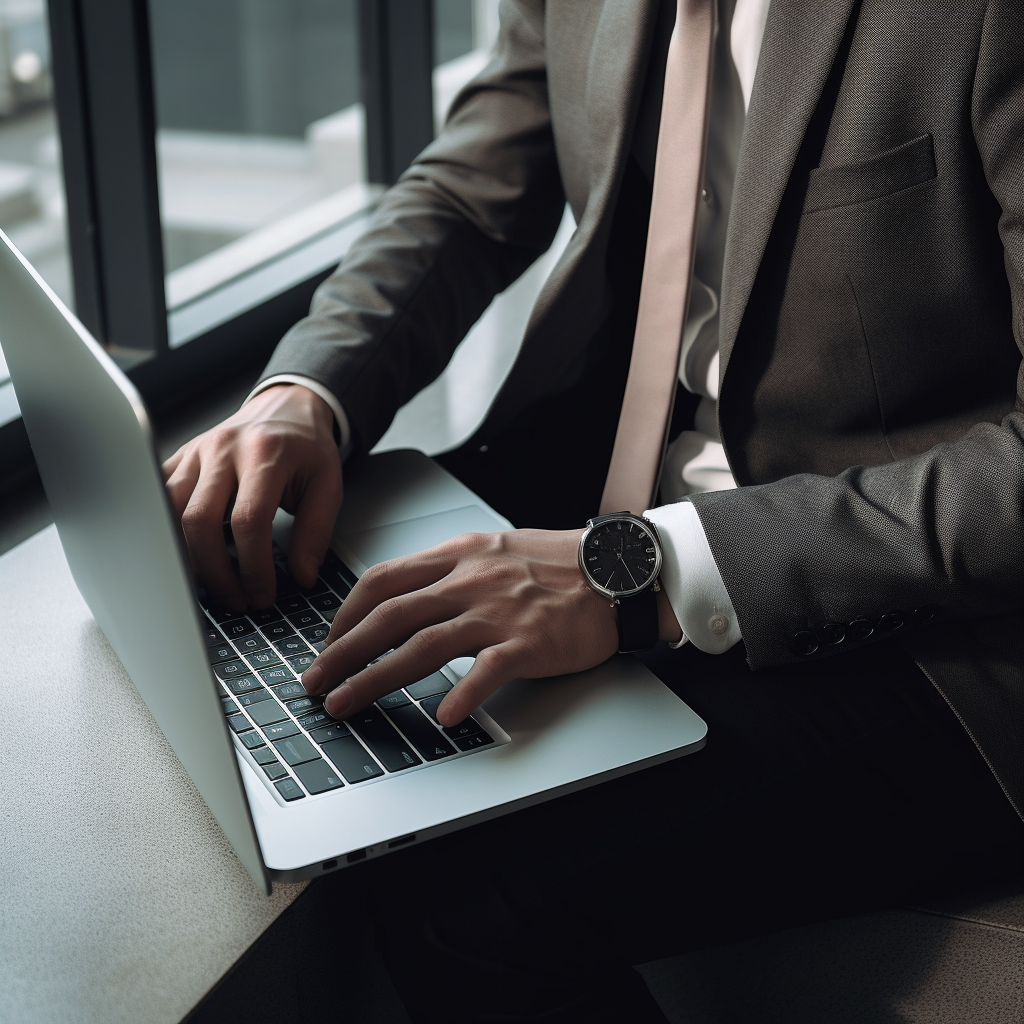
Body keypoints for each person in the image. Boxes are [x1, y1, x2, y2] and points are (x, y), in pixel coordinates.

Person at [163, 1, 1024, 1020]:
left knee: (464, 903)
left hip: (937, 624)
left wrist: (640, 572)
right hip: (605, 485)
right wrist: (305, 393)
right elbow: (468, 192)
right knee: (250, 627)